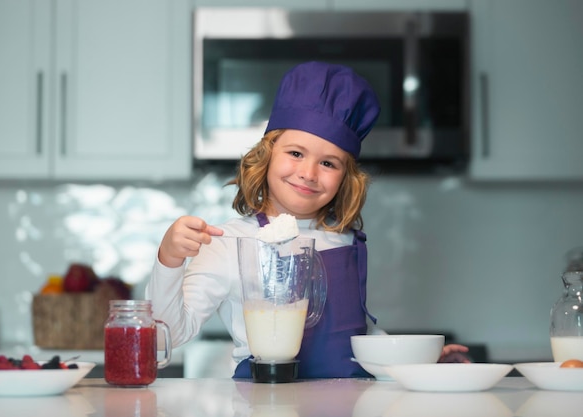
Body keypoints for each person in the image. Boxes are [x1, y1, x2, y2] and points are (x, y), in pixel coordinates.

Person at [146, 61, 468, 378]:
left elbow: (359, 339)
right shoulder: (231, 243)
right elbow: (169, 333)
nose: (308, 173)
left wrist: (417, 362)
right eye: (296, 153)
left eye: (328, 163)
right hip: (264, 403)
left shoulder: (346, 240)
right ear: (268, 153)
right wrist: (170, 259)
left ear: (345, 177)